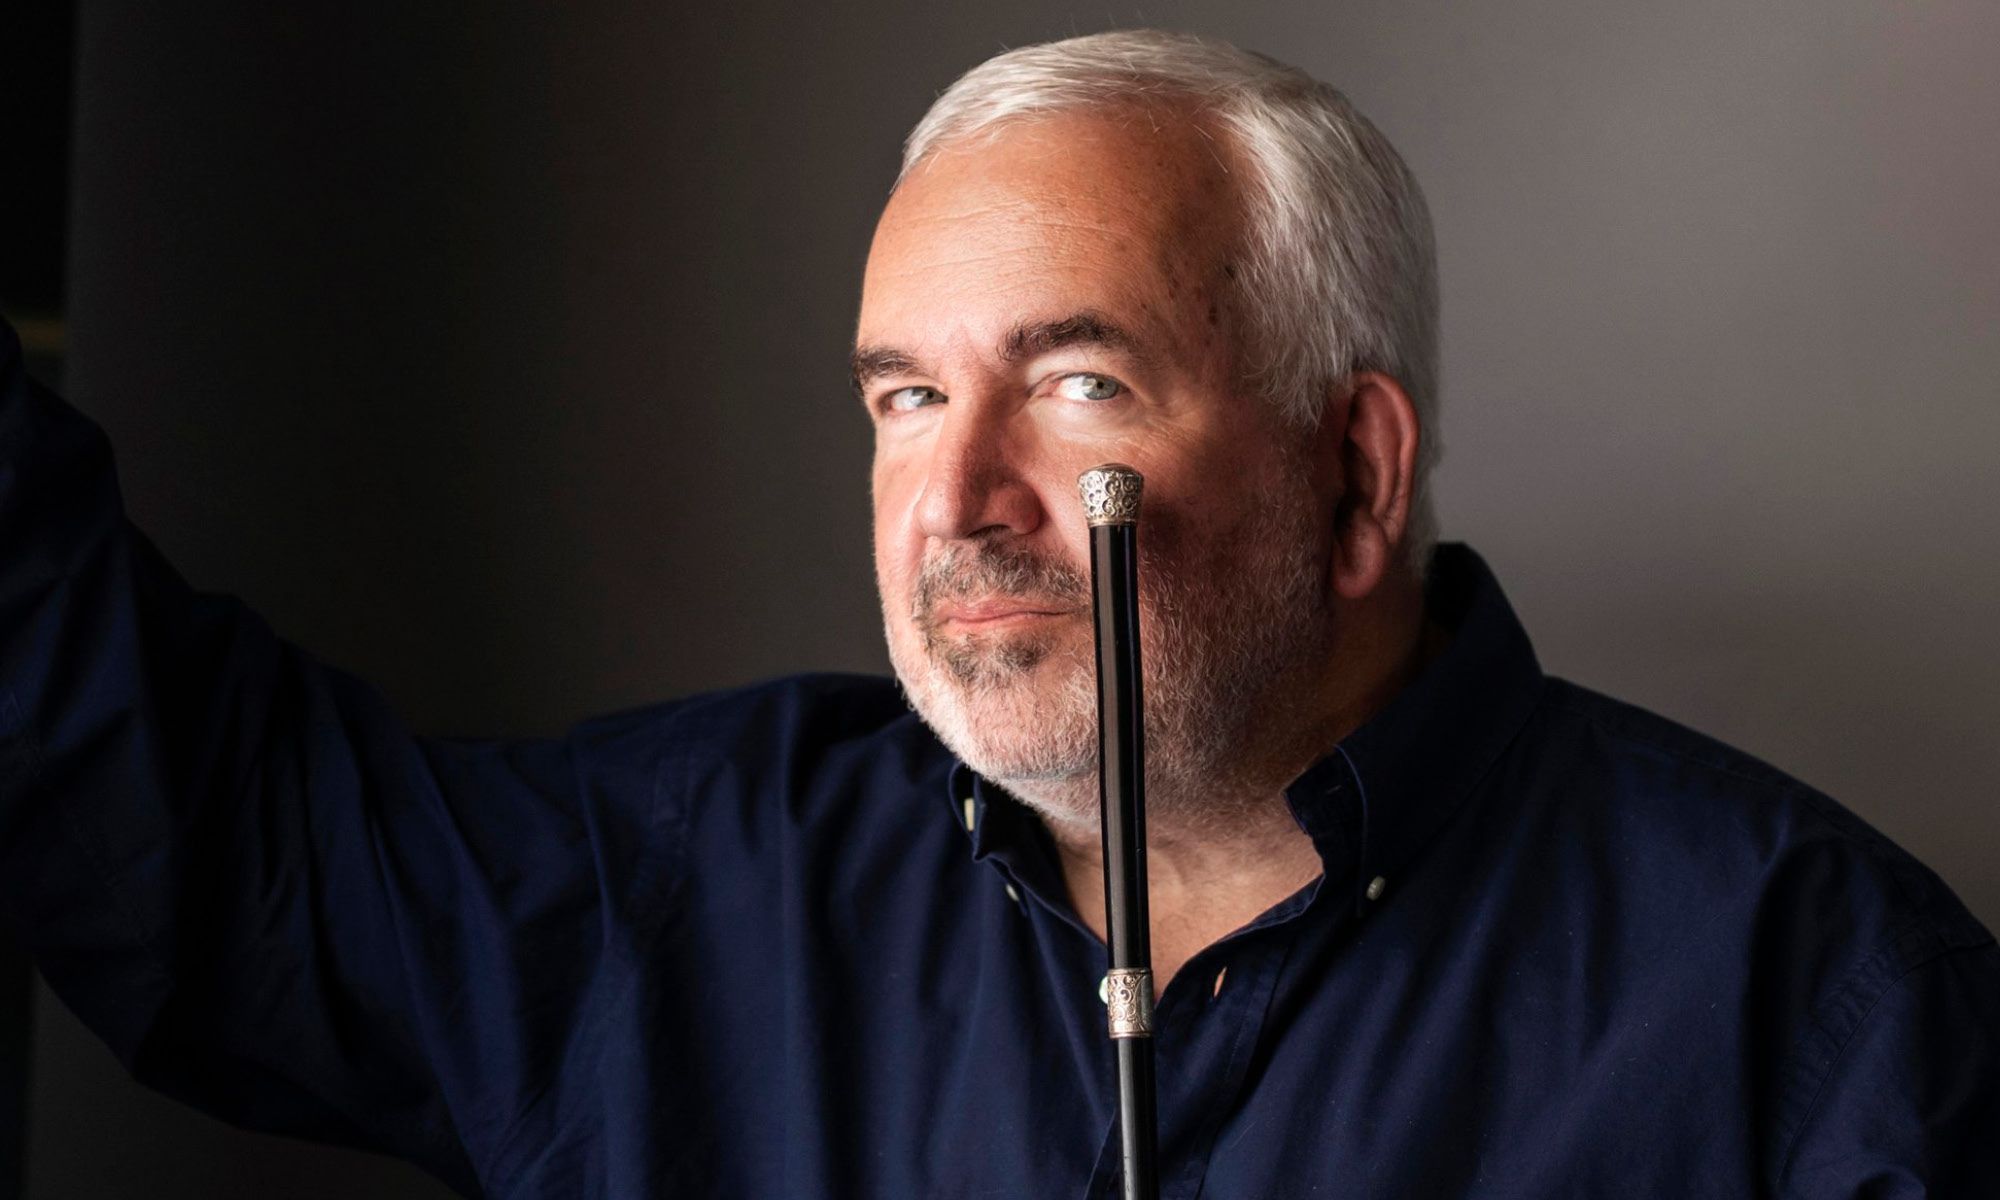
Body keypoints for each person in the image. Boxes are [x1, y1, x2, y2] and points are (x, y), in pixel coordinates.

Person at [3, 28, 1995, 1198]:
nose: (954, 504)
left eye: (1076, 386)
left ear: (1356, 472)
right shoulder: (692, 888)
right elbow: (194, 840)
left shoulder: (1812, 1007)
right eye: (902, 399)